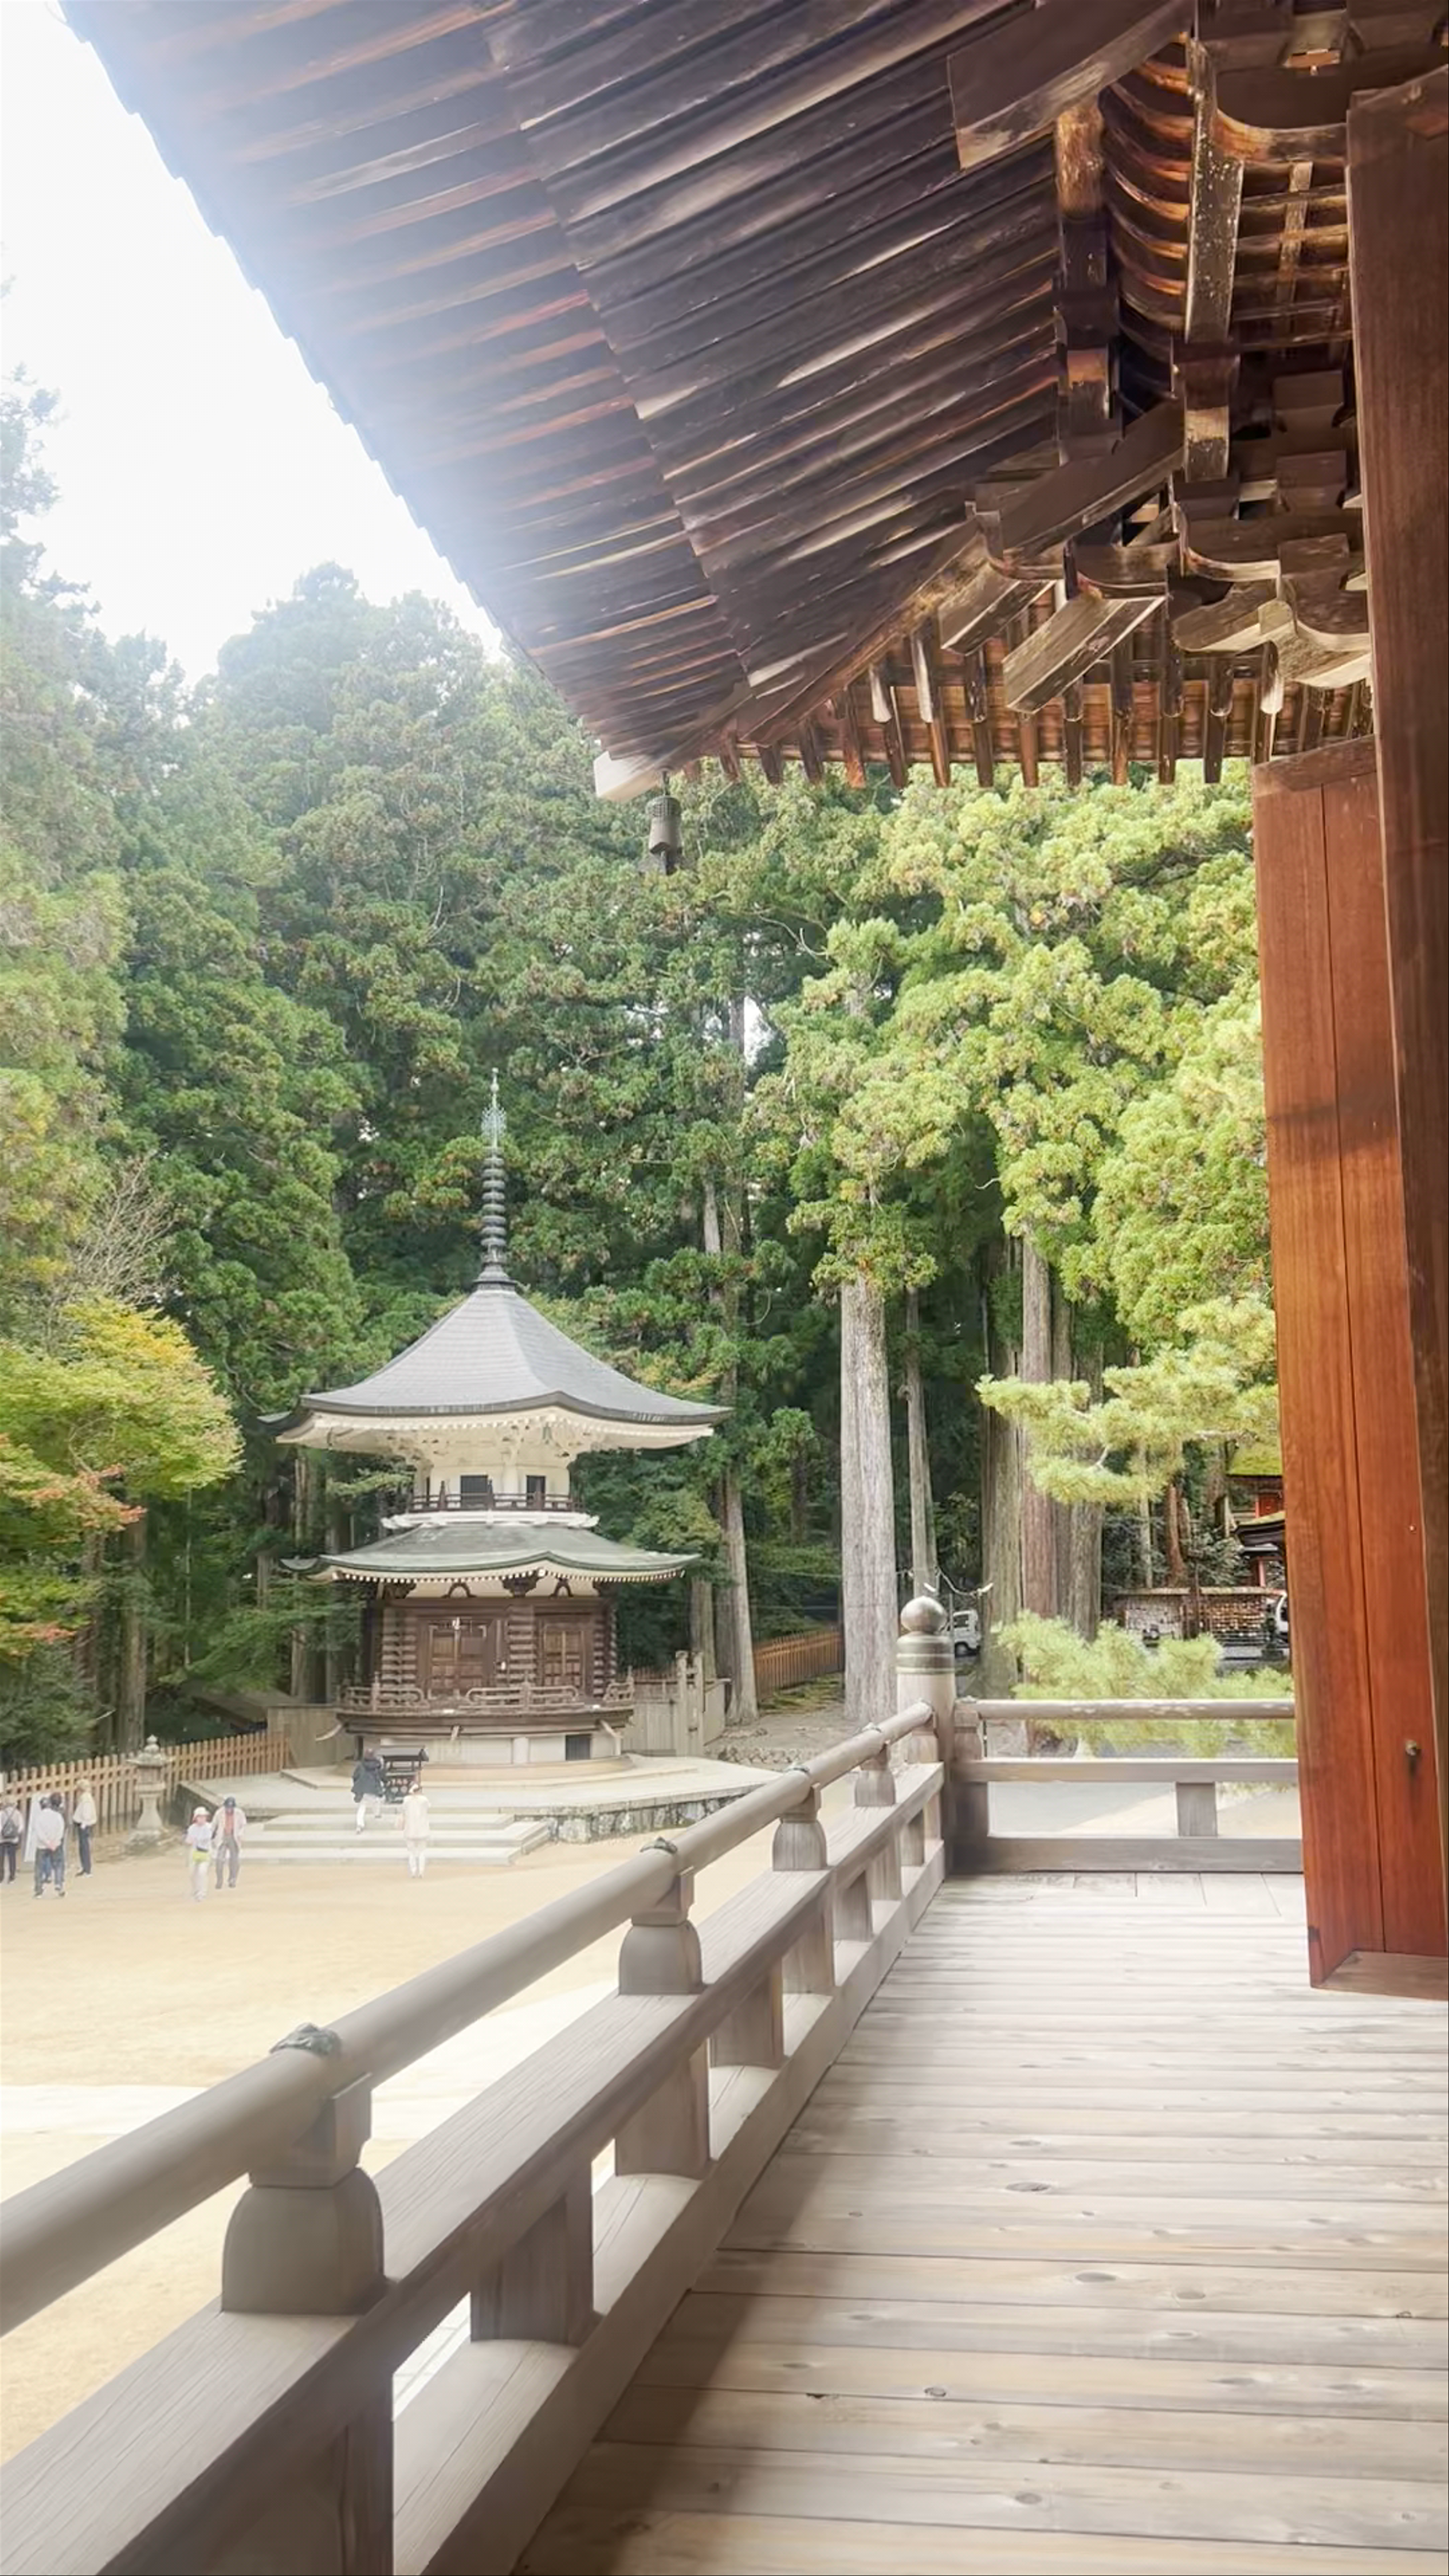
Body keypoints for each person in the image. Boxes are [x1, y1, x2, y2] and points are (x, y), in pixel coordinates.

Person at [32, 1795, 66, 1898]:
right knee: (59, 1864)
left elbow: (39, 1833)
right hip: (56, 1845)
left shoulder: (39, 1818)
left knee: (39, 1867)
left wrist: (47, 1843)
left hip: (42, 1846)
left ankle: (39, 1889)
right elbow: (61, 1830)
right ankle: (59, 1885)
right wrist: (55, 1842)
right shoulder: (57, 1816)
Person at [212, 1795, 247, 1890]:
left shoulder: (239, 1814)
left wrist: (241, 1834)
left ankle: (233, 1879)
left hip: (234, 1836)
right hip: (223, 1837)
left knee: (234, 1860)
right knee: (219, 1860)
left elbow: (243, 1825)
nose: (229, 1810)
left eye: (231, 1808)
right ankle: (219, 1880)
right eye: (228, 1808)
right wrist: (211, 1835)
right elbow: (214, 1824)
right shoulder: (219, 1813)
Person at [400, 1781, 431, 1878]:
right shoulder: (424, 1800)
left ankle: (413, 1871)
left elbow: (403, 1809)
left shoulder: (407, 1800)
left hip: (410, 1829)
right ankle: (421, 1871)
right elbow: (428, 1807)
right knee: (422, 1852)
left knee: (412, 1852)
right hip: (422, 1829)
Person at [185, 1807, 214, 1901]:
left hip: (205, 1852)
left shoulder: (209, 1827)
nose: (202, 1819)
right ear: (196, 1818)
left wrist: (195, 1840)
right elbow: (189, 1840)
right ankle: (195, 1891)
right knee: (192, 1873)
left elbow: (207, 1838)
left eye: (204, 1817)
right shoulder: (192, 1828)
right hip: (195, 1852)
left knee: (202, 1872)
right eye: (200, 1817)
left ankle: (202, 1893)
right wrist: (189, 1841)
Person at [352, 1752, 385, 1834]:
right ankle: (377, 1814)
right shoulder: (377, 1766)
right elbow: (382, 1777)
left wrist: (357, 1785)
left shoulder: (361, 1766)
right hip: (373, 1789)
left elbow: (355, 1776)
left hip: (363, 1790)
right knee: (377, 1801)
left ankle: (360, 1825)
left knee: (362, 1807)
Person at [71, 1781, 97, 1878]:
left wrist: (84, 1825)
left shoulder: (86, 1798)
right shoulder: (86, 1797)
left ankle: (87, 1869)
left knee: (84, 1847)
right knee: (83, 1847)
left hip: (84, 1824)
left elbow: (87, 1813)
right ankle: (84, 1867)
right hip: (84, 1823)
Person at [0, 1795, 23, 1884]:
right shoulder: (18, 1813)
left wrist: (3, 1833)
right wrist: (16, 1833)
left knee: (1, 1858)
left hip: (2, 1839)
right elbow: (21, 1826)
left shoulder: (2, 1813)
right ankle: (12, 1876)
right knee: (12, 1858)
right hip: (14, 1839)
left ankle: (1, 1876)